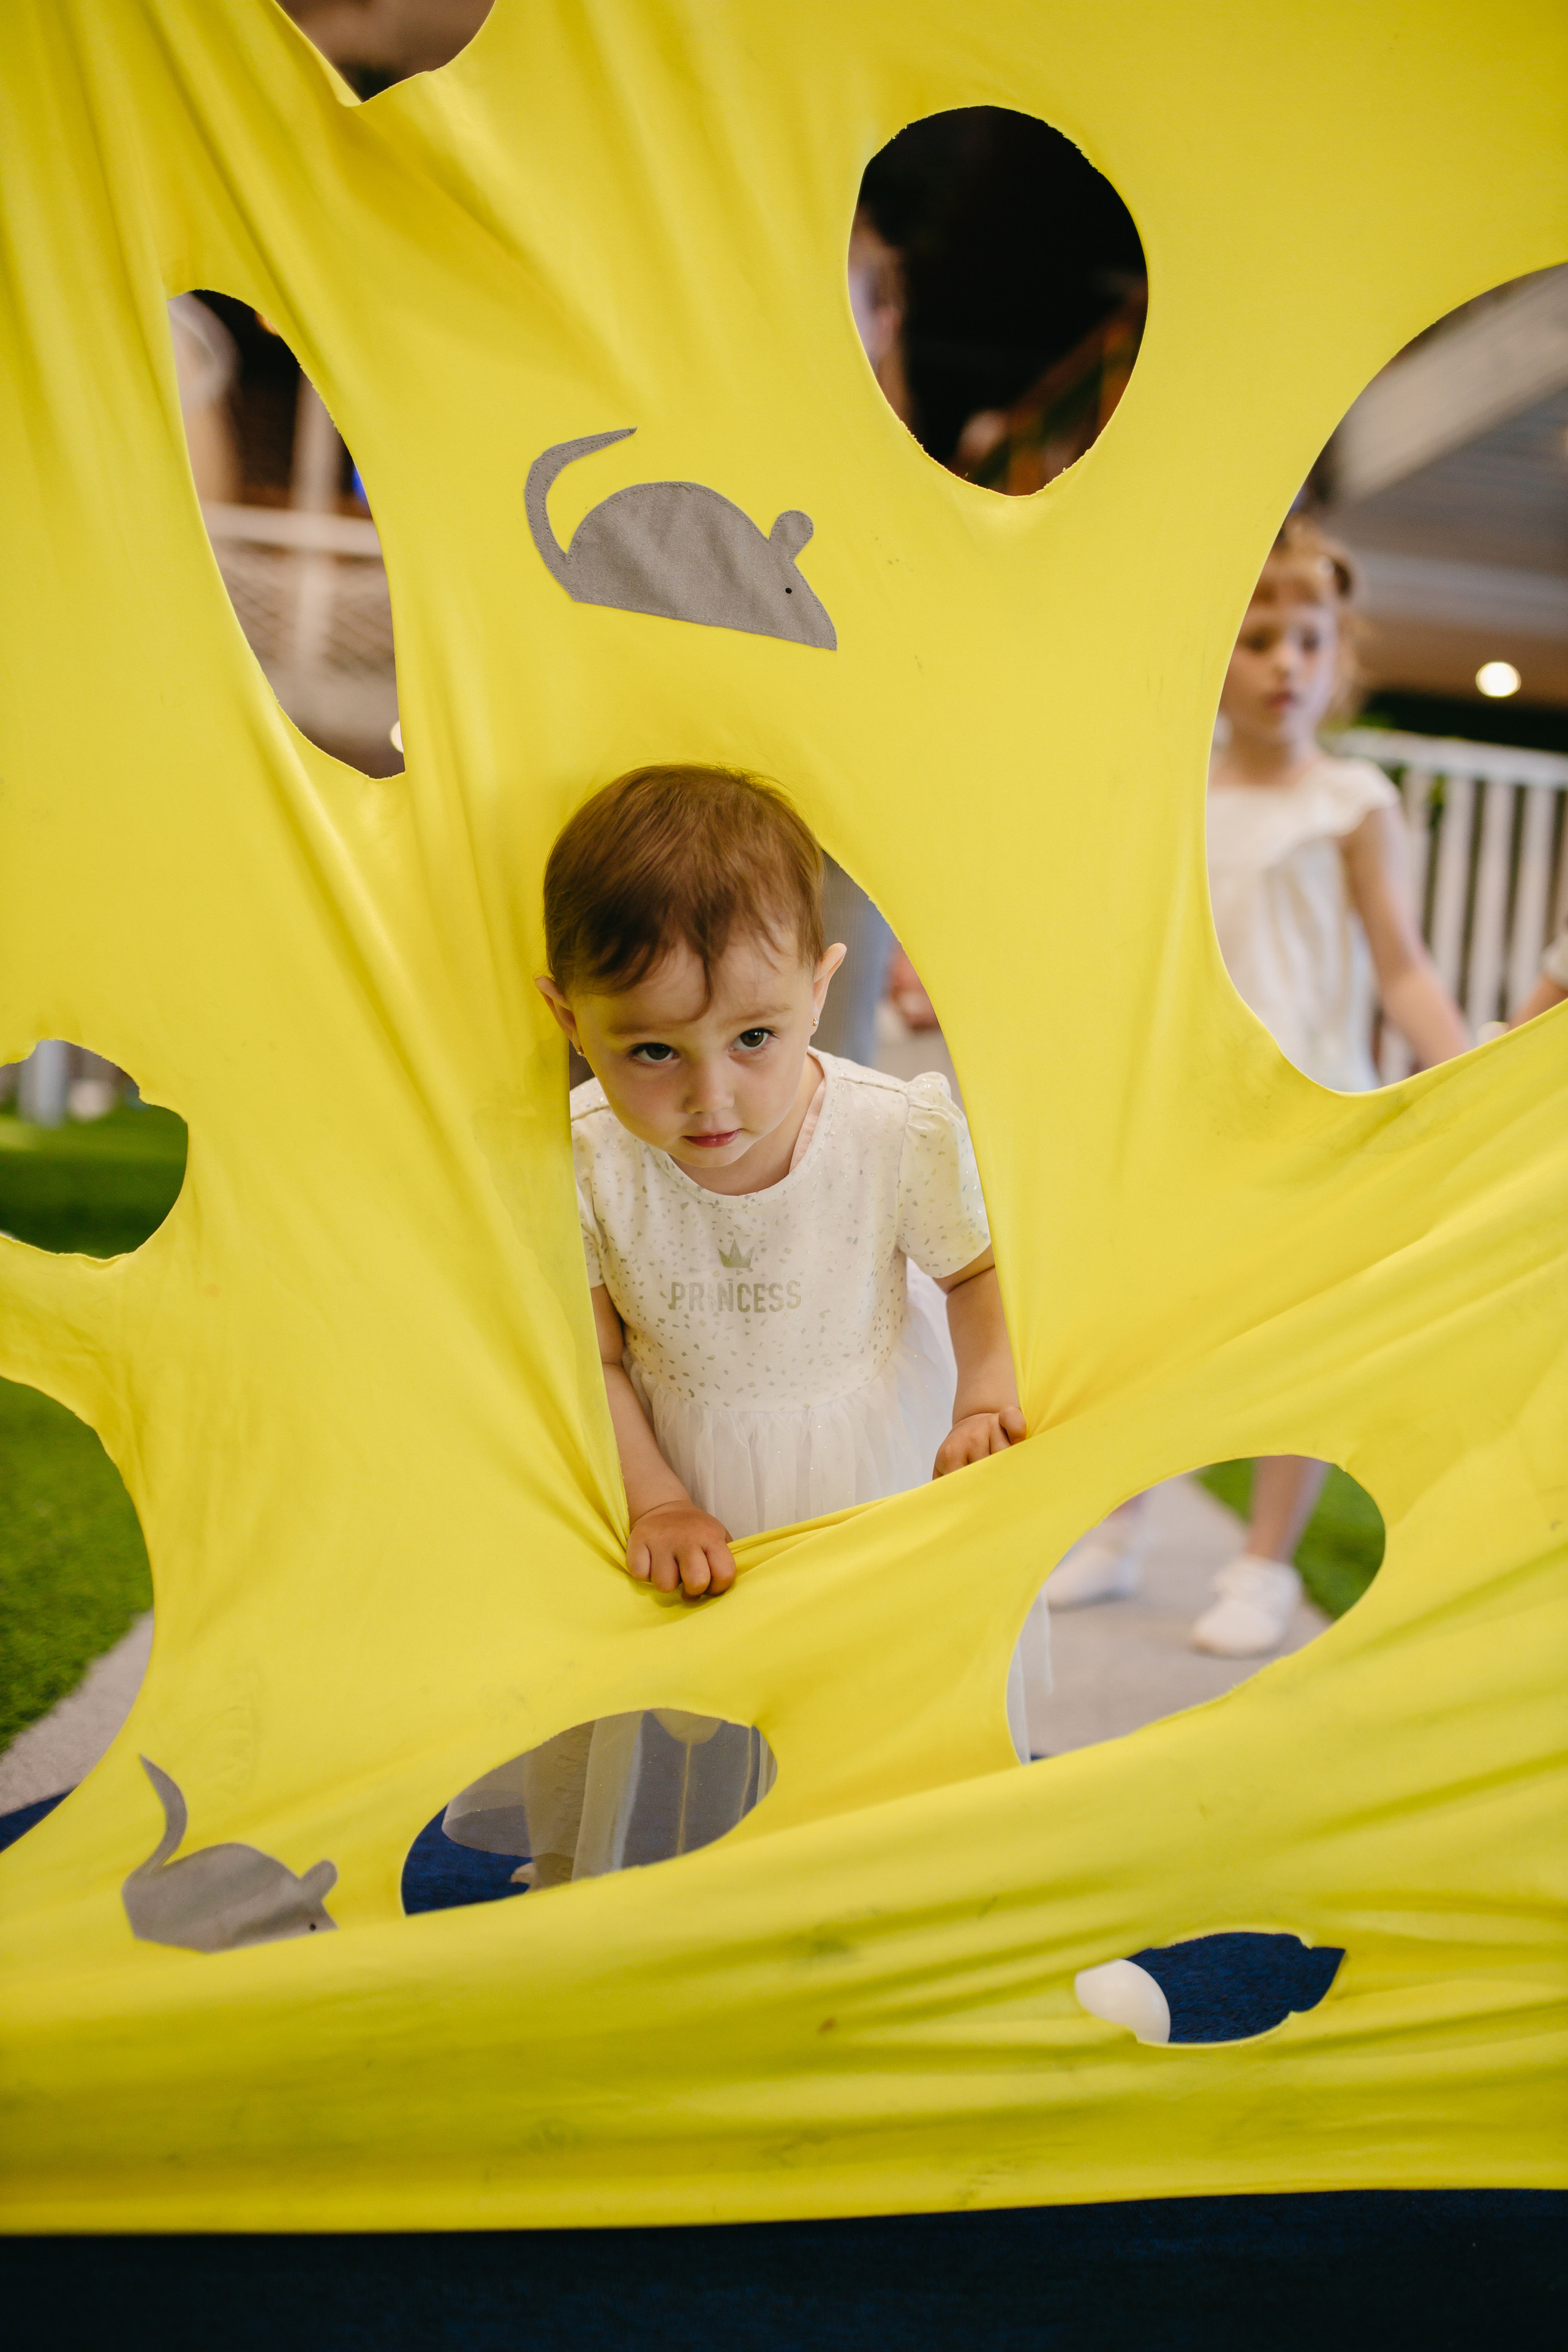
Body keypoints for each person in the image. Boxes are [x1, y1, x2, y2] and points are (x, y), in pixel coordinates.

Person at [517, 764, 1038, 1883]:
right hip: (675, 1459)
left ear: (819, 984)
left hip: (864, 1464)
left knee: (865, 1701)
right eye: (652, 1051)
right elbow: (591, 1351)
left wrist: (985, 1390)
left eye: (755, 1038)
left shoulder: (893, 1129)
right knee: (673, 1712)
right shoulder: (582, 1159)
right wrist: (655, 1493)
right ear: (569, 1017)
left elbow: (978, 1268)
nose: (713, 1100)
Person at [1049, 517, 1470, 1657]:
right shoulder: (1182, 797)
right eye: (1256, 640)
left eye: (1308, 640)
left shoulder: (1352, 802)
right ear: (1215, 658)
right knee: (1146, 1328)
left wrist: (1465, 1072)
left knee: (1295, 1345)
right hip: (1194, 1112)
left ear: (1340, 662)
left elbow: (1403, 965)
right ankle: (1118, 1526)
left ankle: (1264, 1562)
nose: (1283, 663)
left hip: (1314, 1107)